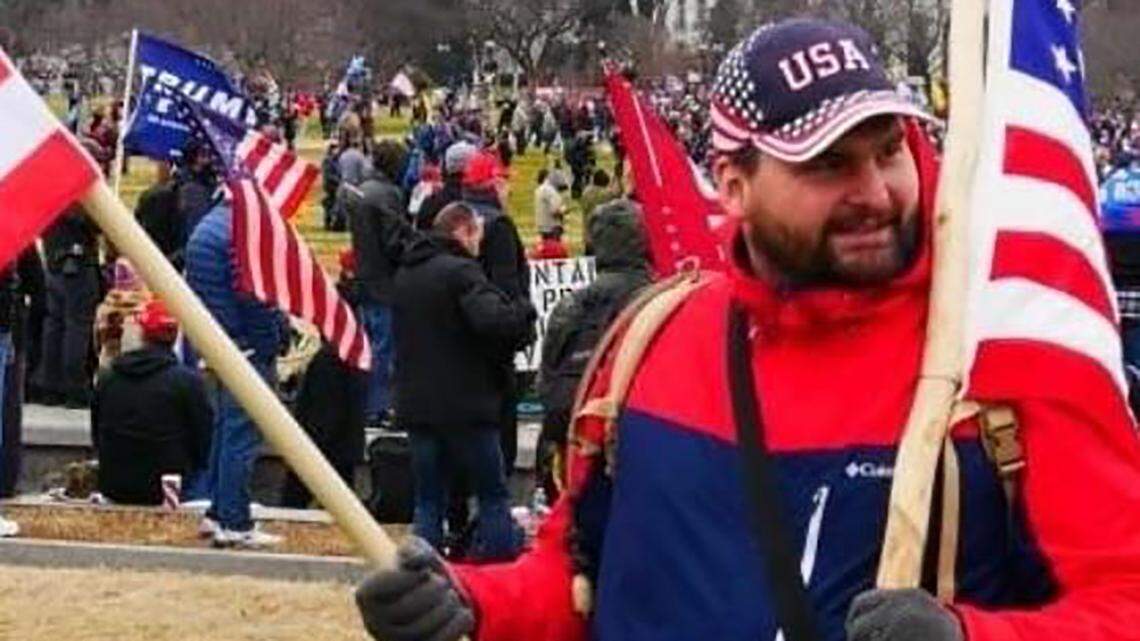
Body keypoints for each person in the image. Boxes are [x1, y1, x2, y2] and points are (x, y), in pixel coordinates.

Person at [355, 18, 1140, 641]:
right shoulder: (649, 346)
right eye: (827, 164)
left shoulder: (1005, 358)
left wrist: (972, 636)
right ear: (732, 184)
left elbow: (1125, 602)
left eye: (889, 150)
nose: (874, 189)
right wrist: (469, 601)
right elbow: (579, 580)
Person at [392, 202, 536, 560]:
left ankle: (421, 577)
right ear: (463, 232)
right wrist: (524, 310)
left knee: (429, 500)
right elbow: (495, 323)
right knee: (492, 495)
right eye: (477, 238)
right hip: (467, 406)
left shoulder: (406, 275)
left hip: (418, 405)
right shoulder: (462, 273)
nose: (479, 248)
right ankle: (499, 573)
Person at [536, 200, 651, 499]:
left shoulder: (569, 306)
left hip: (575, 436)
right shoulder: (658, 303)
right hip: (635, 440)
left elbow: (547, 378)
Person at [186, 200, 284, 548]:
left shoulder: (209, 225)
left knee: (225, 431)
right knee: (241, 436)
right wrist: (270, 341)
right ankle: (234, 519)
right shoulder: (239, 233)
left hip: (217, 340)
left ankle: (217, 512)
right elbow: (253, 295)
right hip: (245, 345)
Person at [92, 300, 212, 506]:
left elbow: (97, 432)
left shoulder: (108, 376)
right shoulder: (188, 381)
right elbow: (204, 439)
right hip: (169, 485)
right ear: (175, 336)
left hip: (115, 483)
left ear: (143, 333)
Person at [461, 151, 532, 473]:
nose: (508, 190)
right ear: (491, 183)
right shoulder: (498, 227)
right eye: (503, 181)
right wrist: (522, 319)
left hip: (461, 341)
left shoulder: (455, 215)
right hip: (495, 344)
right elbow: (507, 287)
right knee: (498, 445)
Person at [346, 141, 413, 427]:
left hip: (364, 274)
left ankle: (366, 404)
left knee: (369, 345)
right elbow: (394, 242)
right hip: (385, 281)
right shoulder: (387, 194)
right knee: (384, 348)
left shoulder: (360, 190)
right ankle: (378, 408)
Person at [36, 204, 101, 408]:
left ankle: (50, 386)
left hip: (54, 263)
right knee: (77, 327)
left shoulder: (49, 194)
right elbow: (96, 225)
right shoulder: (78, 199)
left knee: (54, 326)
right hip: (77, 266)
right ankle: (75, 388)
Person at [534, 167, 568, 237]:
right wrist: (564, 210)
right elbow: (555, 211)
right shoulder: (551, 191)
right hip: (552, 227)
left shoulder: (539, 189)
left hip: (542, 226)